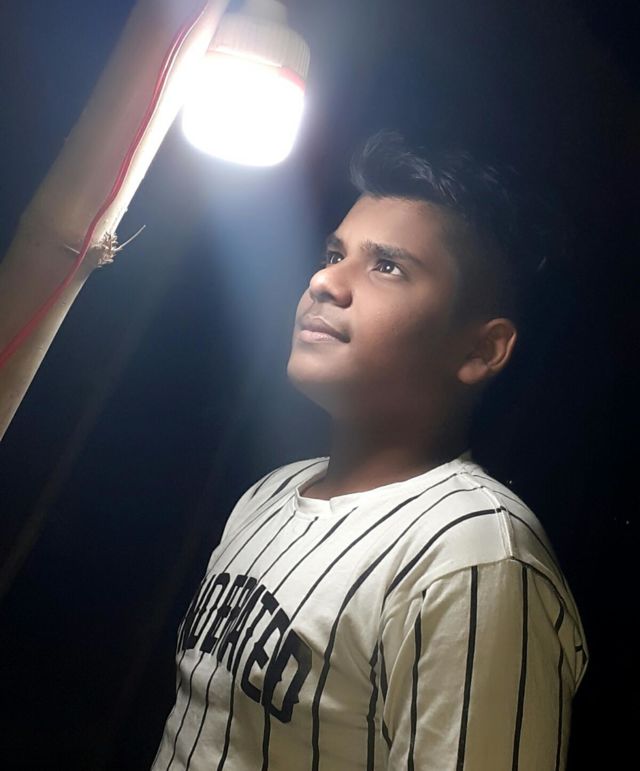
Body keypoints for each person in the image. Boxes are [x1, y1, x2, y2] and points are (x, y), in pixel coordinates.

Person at [151, 132, 589, 770]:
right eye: (335, 253)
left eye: (387, 266)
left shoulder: (474, 557)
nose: (325, 280)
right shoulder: (271, 492)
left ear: (480, 350)